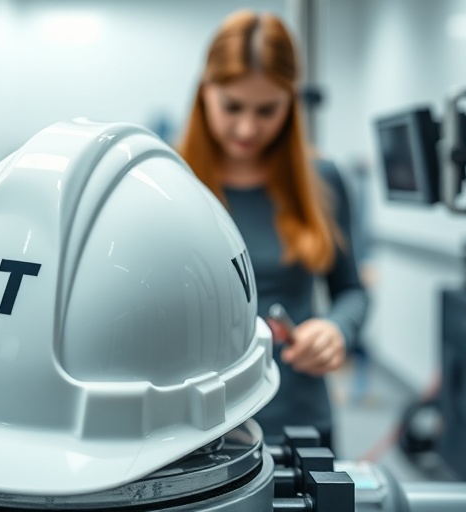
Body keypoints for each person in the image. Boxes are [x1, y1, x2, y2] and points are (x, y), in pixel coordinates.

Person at [177, 9, 369, 449]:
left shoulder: (323, 181)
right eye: (232, 107)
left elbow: (352, 290)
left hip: (299, 417)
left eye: (267, 110)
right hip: (196, 429)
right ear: (204, 93)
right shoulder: (168, 183)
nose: (247, 127)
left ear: (291, 103)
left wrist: (336, 329)